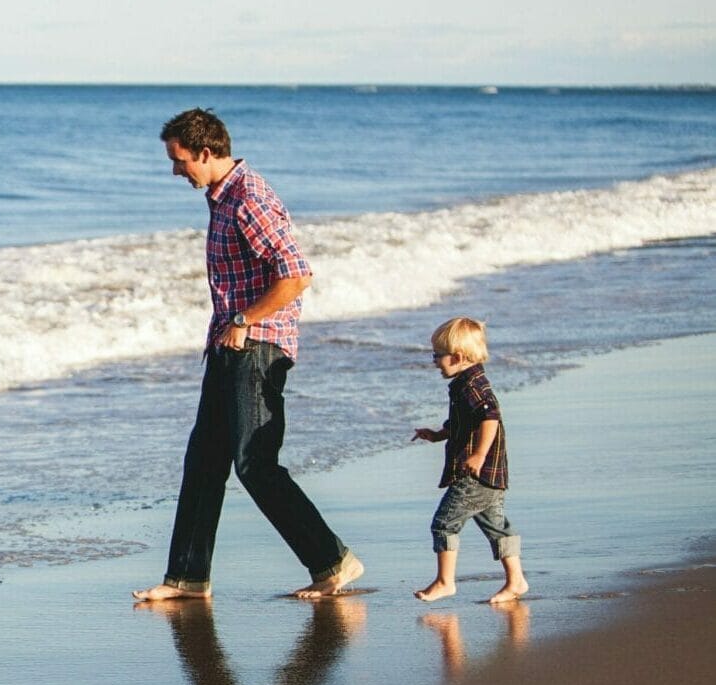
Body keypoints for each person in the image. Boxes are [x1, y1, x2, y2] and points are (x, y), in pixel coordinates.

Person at [133, 108, 363, 602]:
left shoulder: (248, 198)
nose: (176, 171)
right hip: (229, 343)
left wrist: (244, 321)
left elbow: (296, 273)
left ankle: (332, 561)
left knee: (254, 462)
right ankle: (187, 578)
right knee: (204, 462)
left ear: (206, 152)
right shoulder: (222, 196)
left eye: (179, 161)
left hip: (256, 346)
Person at [411, 316, 528, 604]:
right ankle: (516, 581)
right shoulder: (466, 382)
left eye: (438, 356)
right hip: (492, 474)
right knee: (496, 525)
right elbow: (464, 422)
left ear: (459, 357)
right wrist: (438, 435)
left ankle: (445, 582)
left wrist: (477, 455)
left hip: (476, 473)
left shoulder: (472, 386)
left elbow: (490, 419)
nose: (435, 362)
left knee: (444, 524)